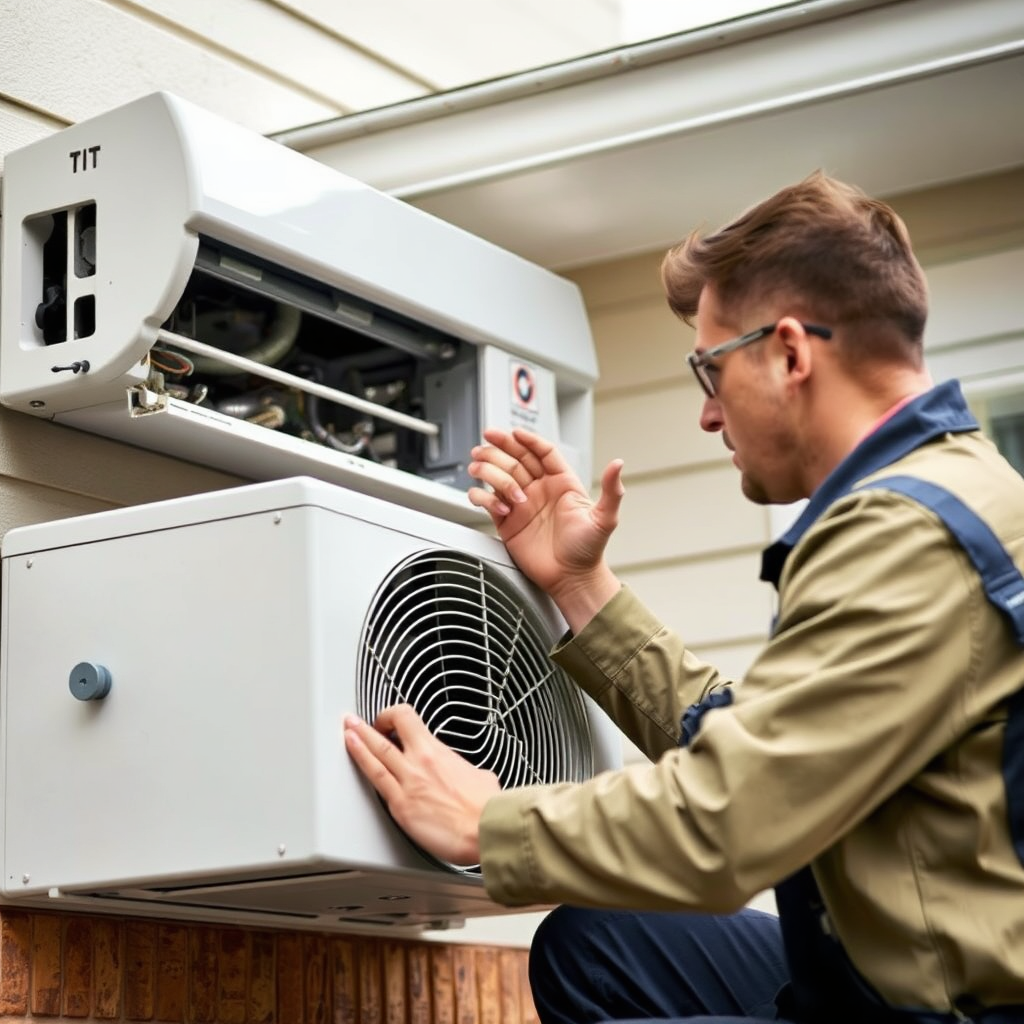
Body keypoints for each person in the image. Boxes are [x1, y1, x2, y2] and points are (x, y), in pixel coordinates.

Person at [343, 172, 1024, 1023]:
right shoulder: (947, 490)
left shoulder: (905, 535)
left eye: (710, 370)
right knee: (597, 944)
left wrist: (490, 822)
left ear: (788, 353)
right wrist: (581, 585)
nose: (708, 416)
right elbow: (766, 746)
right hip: (883, 975)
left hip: (952, 1012)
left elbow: (729, 821)